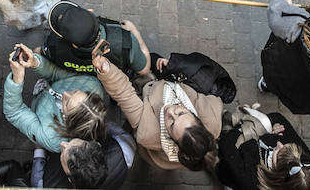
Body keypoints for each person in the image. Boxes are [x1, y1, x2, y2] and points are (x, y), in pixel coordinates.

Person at [3, 43, 128, 188]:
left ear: (68, 121)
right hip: (45, 88)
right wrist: (35, 62)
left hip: (38, 103)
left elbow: (14, 112)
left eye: (67, 104)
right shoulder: (92, 84)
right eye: (75, 92)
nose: (65, 94)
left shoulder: (49, 136)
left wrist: (17, 80)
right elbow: (56, 74)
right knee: (38, 51)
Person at [92, 39, 221, 173]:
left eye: (171, 124)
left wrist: (106, 70)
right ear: (195, 115)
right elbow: (205, 77)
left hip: (151, 89)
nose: (170, 111)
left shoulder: (147, 130)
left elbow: (124, 94)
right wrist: (176, 67)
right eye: (181, 113)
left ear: (171, 140)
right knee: (153, 58)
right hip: (168, 80)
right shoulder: (213, 118)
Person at [39, 1, 151, 79]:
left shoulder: (53, 46)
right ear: (91, 12)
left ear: (74, 45)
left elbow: (38, 52)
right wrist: (135, 33)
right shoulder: (126, 42)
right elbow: (144, 70)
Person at [216, 107, 310, 190]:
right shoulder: (305, 160)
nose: (278, 143)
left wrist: (246, 129)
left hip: (232, 171)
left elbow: (226, 144)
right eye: (287, 146)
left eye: (277, 154)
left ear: (277, 175)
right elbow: (277, 117)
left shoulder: (251, 179)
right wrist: (272, 128)